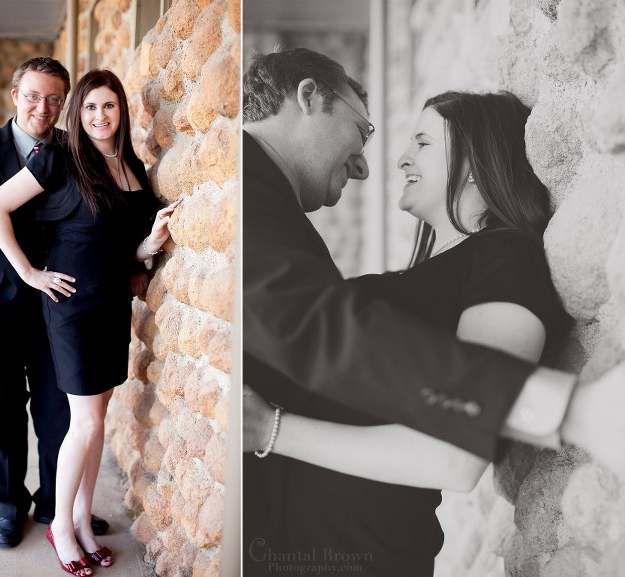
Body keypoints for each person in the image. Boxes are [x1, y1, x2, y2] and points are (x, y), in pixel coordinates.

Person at [242, 47, 625, 574]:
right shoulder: (259, 195)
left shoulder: (504, 254)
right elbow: (306, 325)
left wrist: (271, 432)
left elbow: (455, 455)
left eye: (421, 142)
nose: (390, 161)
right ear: (307, 99)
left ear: (475, 163)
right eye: (367, 131)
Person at [0, 69, 180, 576]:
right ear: (78, 113)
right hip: (71, 307)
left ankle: (83, 524)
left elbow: (123, 250)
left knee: (97, 423)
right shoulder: (61, 159)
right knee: (86, 422)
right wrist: (29, 273)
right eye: (89, 107)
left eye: (108, 106)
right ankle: (61, 527)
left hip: (113, 303)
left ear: (122, 111)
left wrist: (152, 243)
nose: (99, 116)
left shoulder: (132, 167)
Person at [0, 56, 109, 548]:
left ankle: (58, 505)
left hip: (55, 310)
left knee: (59, 413)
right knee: (3, 413)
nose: (43, 107)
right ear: (16, 96)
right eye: (34, 95)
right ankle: (10, 509)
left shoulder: (73, 153)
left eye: (55, 98)